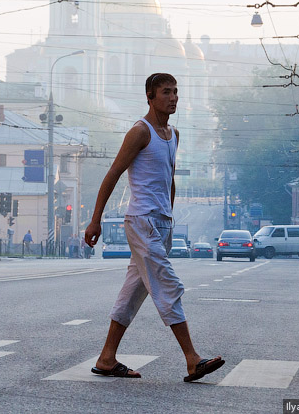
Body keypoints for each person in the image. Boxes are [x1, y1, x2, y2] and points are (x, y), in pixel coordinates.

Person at [84, 73, 224, 383]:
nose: (173, 98)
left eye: (176, 92)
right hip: (141, 221)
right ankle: (192, 359)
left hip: (161, 223)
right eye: (166, 92)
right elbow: (113, 174)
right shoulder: (139, 131)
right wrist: (95, 220)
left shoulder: (174, 134)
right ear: (150, 96)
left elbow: (168, 179)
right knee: (167, 283)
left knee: (132, 293)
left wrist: (168, 216)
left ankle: (107, 359)